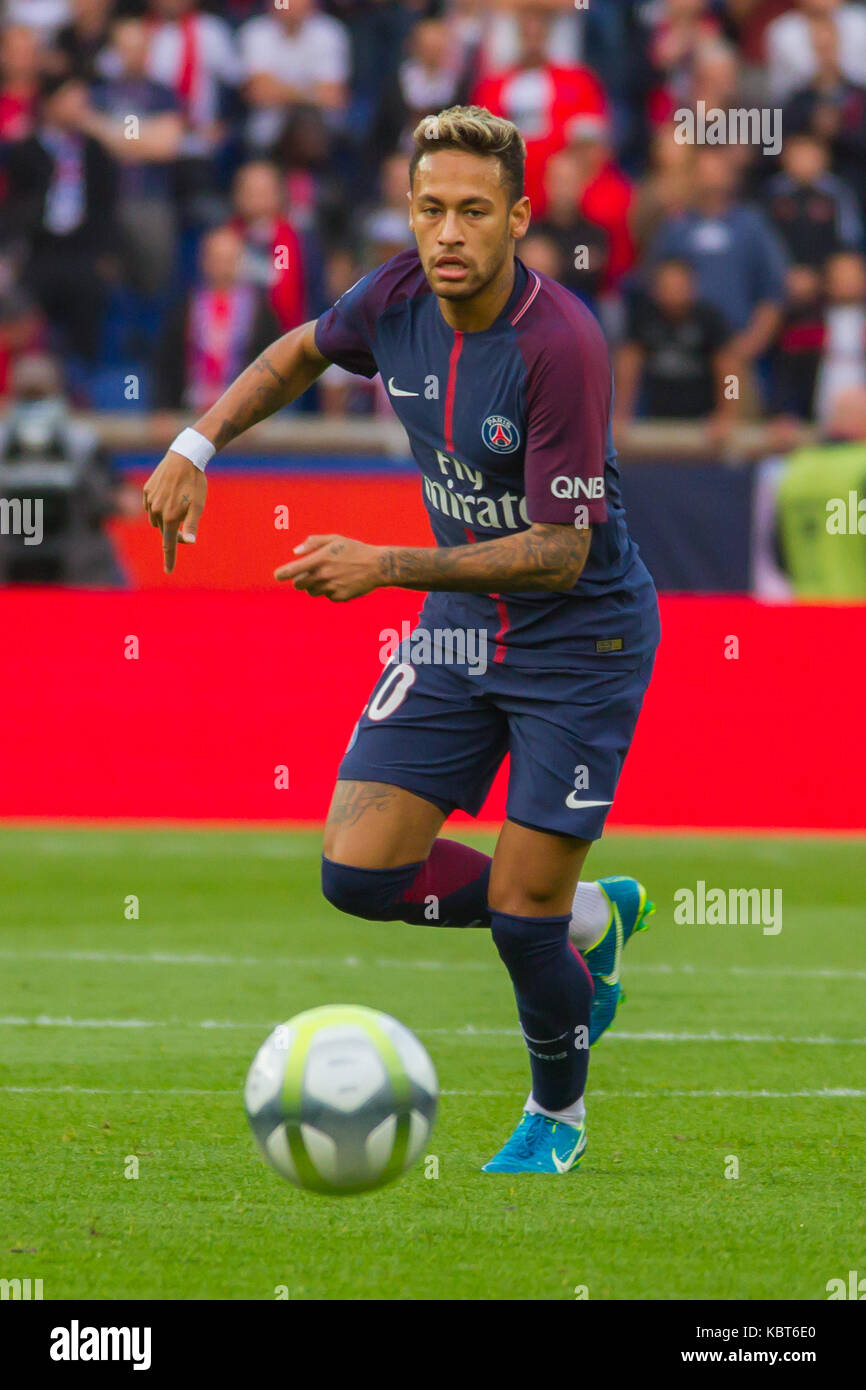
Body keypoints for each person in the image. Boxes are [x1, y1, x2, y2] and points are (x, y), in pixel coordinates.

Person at [143, 105, 660, 1176]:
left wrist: (383, 563)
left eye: (474, 210)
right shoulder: (392, 296)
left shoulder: (558, 344)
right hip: (462, 626)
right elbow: (296, 353)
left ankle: (553, 1117)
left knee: (519, 919)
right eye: (429, 209)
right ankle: (586, 923)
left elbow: (559, 552)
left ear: (519, 216)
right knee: (357, 873)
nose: (448, 233)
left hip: (582, 642)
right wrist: (196, 441)